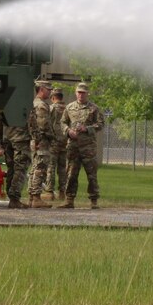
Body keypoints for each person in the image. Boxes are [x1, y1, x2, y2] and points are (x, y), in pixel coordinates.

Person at [60, 81, 104, 209]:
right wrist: (68, 131)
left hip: (88, 147)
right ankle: (69, 200)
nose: (81, 95)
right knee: (71, 174)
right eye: (79, 92)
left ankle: (94, 201)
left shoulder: (93, 108)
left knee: (91, 175)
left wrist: (87, 129)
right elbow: (62, 122)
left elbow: (100, 124)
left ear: (87, 94)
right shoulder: (69, 107)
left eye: (83, 93)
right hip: (73, 147)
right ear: (75, 93)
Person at [27, 78, 56, 208]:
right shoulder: (41, 105)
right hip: (42, 140)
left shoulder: (35, 103)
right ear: (41, 89)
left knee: (35, 168)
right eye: (48, 90)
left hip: (37, 139)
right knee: (40, 168)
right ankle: (36, 197)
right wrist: (52, 137)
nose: (50, 92)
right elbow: (43, 125)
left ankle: (32, 196)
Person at [2, 110, 32, 209]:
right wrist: (36, 137)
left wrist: (0, 139)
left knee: (11, 168)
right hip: (21, 138)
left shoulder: (7, 102)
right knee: (20, 168)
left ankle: (11, 196)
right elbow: (32, 121)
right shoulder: (24, 102)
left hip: (7, 137)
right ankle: (14, 198)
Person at [44, 87, 66, 201]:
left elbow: (47, 124)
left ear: (53, 98)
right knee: (63, 168)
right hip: (65, 142)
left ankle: (49, 192)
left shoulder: (51, 108)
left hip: (53, 142)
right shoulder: (68, 109)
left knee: (51, 167)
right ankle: (63, 192)